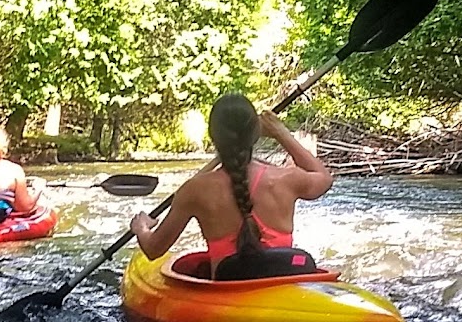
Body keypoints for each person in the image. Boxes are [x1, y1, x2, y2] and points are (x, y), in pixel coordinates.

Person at [131, 93, 332, 280]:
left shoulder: (194, 190)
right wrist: (281, 133)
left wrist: (142, 228)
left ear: (213, 135)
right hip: (280, 283)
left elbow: (153, 249)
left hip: (228, 288)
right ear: (256, 134)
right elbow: (324, 177)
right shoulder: (286, 178)